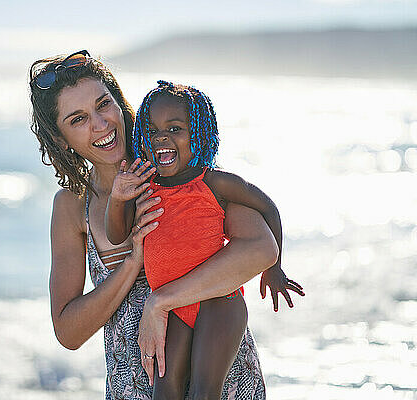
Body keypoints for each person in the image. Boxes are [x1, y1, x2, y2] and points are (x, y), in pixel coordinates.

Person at [28, 50, 294, 399]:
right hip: (134, 390)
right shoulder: (72, 205)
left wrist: (161, 301)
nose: (101, 124)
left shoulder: (178, 171)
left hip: (220, 384)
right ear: (61, 140)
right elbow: (69, 331)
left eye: (103, 104)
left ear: (120, 103)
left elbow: (260, 248)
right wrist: (132, 264)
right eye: (78, 119)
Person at [105, 80, 304, 398]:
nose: (162, 138)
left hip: (219, 301)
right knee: (165, 388)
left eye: (175, 128)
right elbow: (117, 234)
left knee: (204, 388)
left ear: (198, 132)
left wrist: (275, 267)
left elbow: (269, 208)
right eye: (153, 131)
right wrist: (118, 198)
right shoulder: (145, 186)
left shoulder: (214, 182)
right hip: (174, 306)